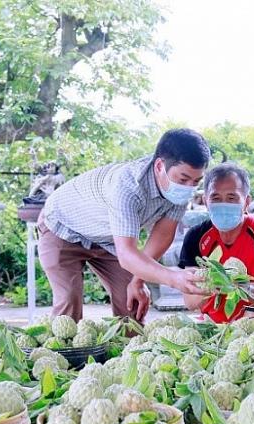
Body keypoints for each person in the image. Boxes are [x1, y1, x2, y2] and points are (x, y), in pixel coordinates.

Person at [37, 128, 210, 322]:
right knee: (68, 306)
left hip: (108, 240)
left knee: (132, 302)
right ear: (160, 166)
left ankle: (129, 350)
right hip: (62, 227)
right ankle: (64, 351)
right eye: (183, 179)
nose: (188, 188)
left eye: (196, 181)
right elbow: (127, 255)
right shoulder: (127, 185)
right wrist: (173, 278)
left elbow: (162, 235)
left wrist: (138, 280)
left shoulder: (178, 193)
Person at [178, 163, 254, 323]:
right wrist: (214, 282)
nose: (223, 204)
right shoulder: (196, 237)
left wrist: (237, 284)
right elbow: (190, 302)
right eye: (216, 198)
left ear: (247, 202)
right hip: (212, 323)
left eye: (231, 198)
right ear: (206, 201)